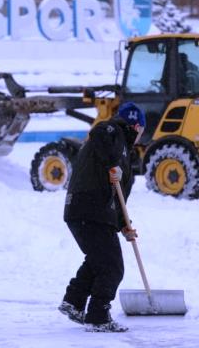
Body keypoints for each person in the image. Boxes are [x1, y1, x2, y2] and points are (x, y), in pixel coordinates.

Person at [58, 102, 145, 333]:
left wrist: (124, 226)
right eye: (142, 130)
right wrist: (112, 164)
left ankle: (74, 302)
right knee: (112, 267)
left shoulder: (124, 151)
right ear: (136, 127)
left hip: (89, 210)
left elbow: (118, 199)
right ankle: (98, 316)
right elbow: (98, 132)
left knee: (98, 261)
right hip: (90, 208)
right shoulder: (112, 132)